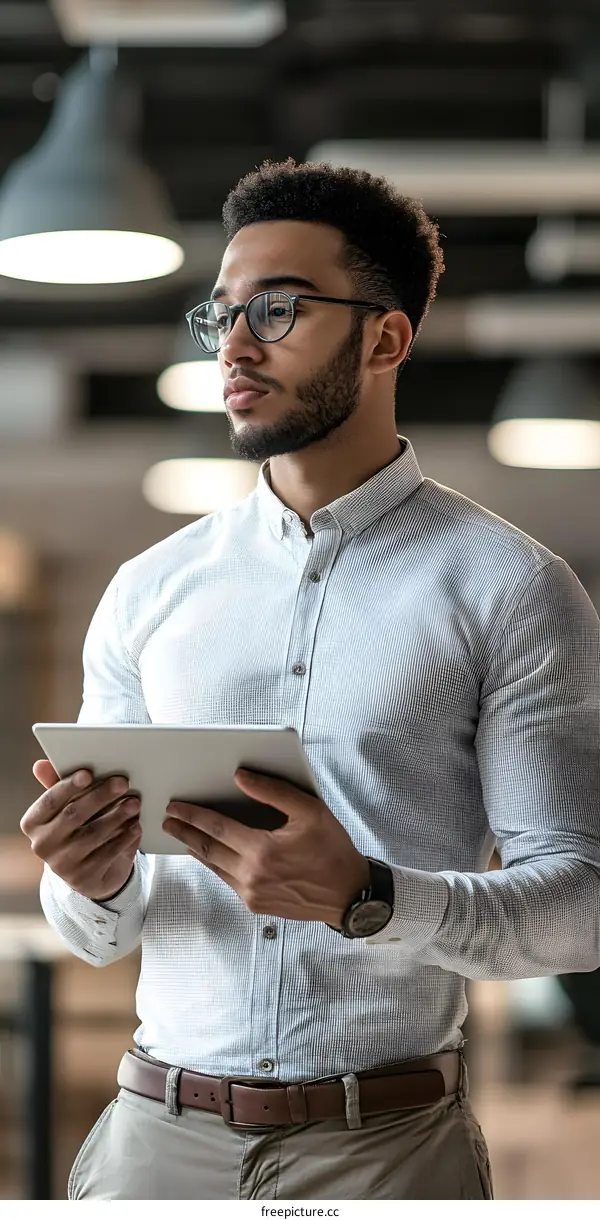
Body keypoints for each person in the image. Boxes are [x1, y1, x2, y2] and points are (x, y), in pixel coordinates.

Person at [21, 158, 600, 1201]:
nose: (235, 345)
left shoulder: (510, 587)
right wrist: (91, 874)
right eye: (222, 314)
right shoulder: (151, 588)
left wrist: (370, 897)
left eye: (277, 309)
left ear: (385, 337)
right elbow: (99, 930)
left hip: (385, 1149)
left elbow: (580, 907)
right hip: (157, 1140)